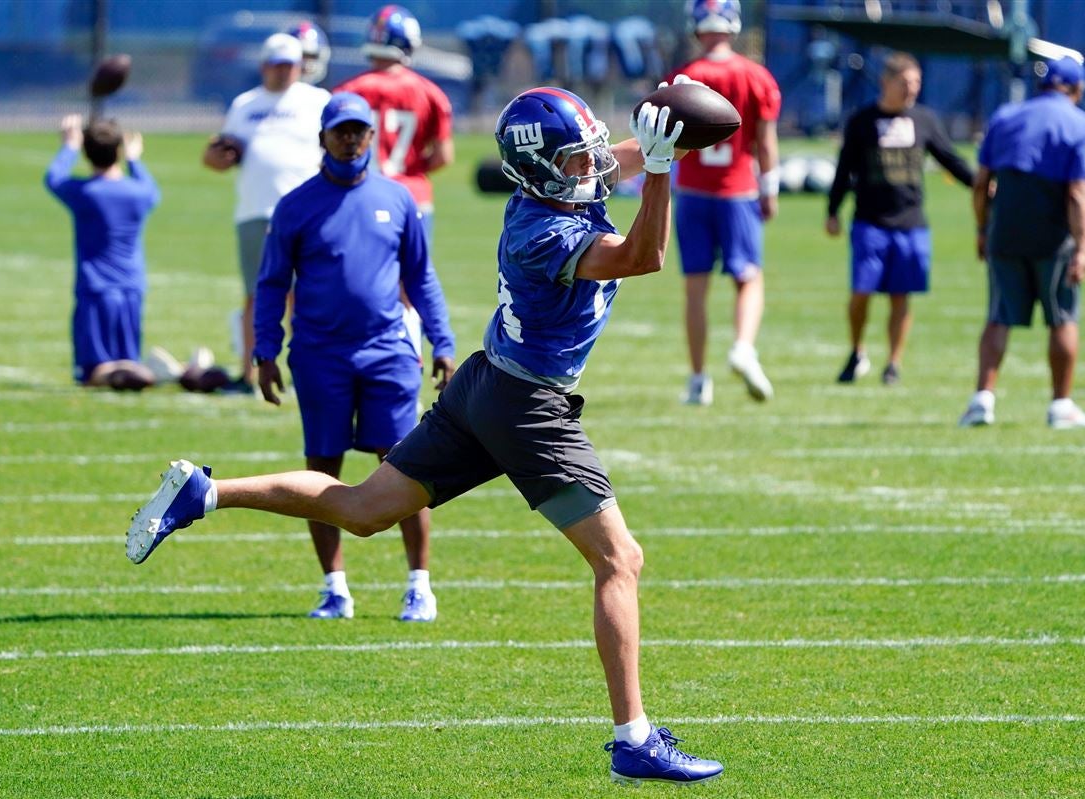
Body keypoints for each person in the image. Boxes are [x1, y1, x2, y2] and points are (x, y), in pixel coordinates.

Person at [126, 85, 725, 785]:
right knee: (619, 560)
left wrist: (669, 131)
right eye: (572, 160)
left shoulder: (559, 182)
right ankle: (634, 738)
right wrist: (659, 170)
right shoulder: (545, 231)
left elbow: (615, 156)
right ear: (537, 171)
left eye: (584, 154)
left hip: (484, 382)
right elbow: (643, 255)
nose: (589, 168)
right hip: (527, 404)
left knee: (362, 509)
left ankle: (207, 491)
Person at [253, 93, 456, 621]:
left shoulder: (398, 198)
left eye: (359, 131)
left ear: (372, 136)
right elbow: (272, 282)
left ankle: (419, 585)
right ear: (322, 137)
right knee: (322, 468)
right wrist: (265, 349)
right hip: (320, 355)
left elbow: (421, 277)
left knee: (406, 467)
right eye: (341, 130)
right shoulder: (296, 205)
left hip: (388, 352)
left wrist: (443, 341)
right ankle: (334, 586)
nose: (350, 139)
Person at [959, 56, 1085, 429]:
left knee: (998, 316)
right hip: (1053, 236)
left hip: (1005, 231)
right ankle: (1061, 405)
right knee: (1062, 319)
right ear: (1077, 89)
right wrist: (1083, 248)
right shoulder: (1081, 125)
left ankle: (982, 399)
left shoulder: (1006, 117)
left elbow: (981, 183)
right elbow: (1077, 193)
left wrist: (982, 228)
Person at [826, 51, 975, 385]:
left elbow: (951, 160)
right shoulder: (862, 121)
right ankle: (857, 351)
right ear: (886, 82)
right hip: (870, 222)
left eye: (917, 83)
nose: (912, 90)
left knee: (901, 295)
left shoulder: (924, 120)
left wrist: (981, 185)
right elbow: (844, 170)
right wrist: (832, 211)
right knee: (861, 292)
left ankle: (894, 362)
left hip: (911, 224)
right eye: (905, 82)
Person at [667, 0, 781, 405]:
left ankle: (698, 380)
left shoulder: (684, 77)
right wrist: (771, 187)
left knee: (696, 288)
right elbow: (764, 142)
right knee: (748, 277)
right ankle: (743, 346)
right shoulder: (755, 76)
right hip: (738, 191)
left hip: (693, 192)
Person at [202, 32, 329, 393]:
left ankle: (308, 373)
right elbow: (217, 154)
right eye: (276, 65)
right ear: (263, 66)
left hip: (307, 214)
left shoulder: (317, 100)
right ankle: (249, 372)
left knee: (306, 296)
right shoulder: (245, 104)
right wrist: (217, 157)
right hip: (255, 210)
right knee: (256, 295)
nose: (283, 72)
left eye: (289, 65)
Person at [44, 113, 160, 390]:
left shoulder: (85, 193)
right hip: (132, 288)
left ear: (86, 152)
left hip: (96, 289)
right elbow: (151, 188)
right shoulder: (140, 193)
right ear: (119, 150)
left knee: (93, 372)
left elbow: (53, 178)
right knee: (126, 359)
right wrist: (134, 160)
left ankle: (115, 376)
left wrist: (69, 146)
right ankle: (135, 373)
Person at [335, 5, 454, 242]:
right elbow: (443, 156)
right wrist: (410, 169)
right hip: (412, 195)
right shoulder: (430, 93)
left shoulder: (348, 91)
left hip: (362, 193)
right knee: (412, 276)